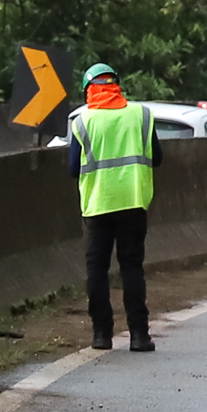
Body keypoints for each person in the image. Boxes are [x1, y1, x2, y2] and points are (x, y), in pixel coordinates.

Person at [68, 64, 161, 352]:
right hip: (133, 200)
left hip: (98, 204)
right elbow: (157, 157)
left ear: (88, 90)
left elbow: (73, 168)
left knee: (97, 268)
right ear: (117, 86)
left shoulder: (82, 122)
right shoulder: (141, 115)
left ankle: (101, 335)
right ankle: (139, 335)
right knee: (132, 267)